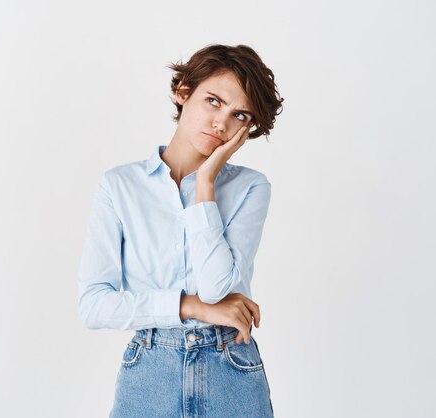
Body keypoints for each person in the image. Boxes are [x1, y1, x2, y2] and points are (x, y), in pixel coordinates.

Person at [77, 43, 284, 417]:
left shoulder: (251, 188)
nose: (221, 123)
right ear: (183, 92)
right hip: (150, 370)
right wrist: (191, 307)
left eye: (239, 115)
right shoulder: (119, 186)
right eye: (213, 101)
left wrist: (205, 183)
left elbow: (215, 286)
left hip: (231, 366)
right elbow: (93, 305)